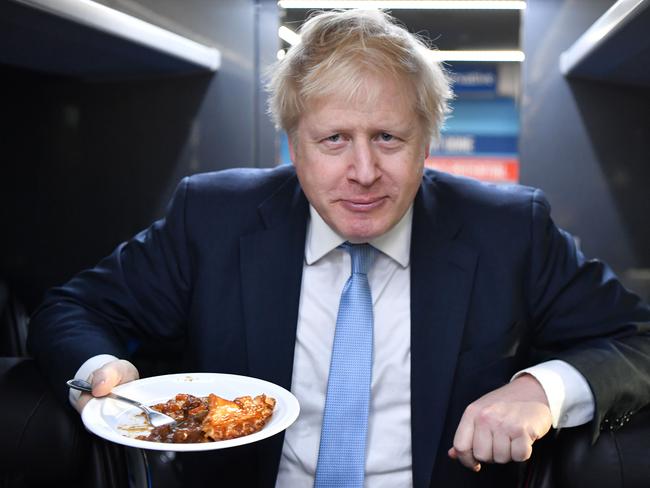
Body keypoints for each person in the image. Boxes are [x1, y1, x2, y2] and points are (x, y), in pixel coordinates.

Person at [27, 9, 650, 488]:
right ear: (293, 145)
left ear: (426, 143)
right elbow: (70, 311)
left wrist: (542, 391)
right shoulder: (213, 217)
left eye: (387, 137)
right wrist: (99, 375)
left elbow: (638, 340)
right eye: (332, 140)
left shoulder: (510, 227)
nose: (363, 171)